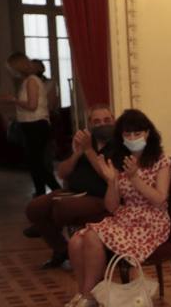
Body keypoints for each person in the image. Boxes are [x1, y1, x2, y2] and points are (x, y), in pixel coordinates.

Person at [57, 109, 171, 307]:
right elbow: (111, 207)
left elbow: (159, 199)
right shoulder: (121, 160)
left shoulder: (161, 161)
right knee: (75, 241)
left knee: (92, 235)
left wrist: (135, 177)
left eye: (136, 133)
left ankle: (88, 298)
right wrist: (112, 182)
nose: (131, 138)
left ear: (147, 133)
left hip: (151, 220)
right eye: (127, 135)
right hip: (125, 217)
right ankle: (85, 294)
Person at [24, 103, 117, 269]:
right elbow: (62, 173)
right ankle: (62, 250)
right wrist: (77, 153)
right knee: (34, 207)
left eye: (106, 120)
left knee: (61, 207)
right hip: (73, 192)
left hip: (100, 196)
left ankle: (48, 226)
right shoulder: (86, 141)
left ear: (114, 121)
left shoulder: (120, 145)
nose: (102, 124)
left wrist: (89, 152)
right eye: (97, 121)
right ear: (90, 124)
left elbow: (108, 177)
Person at [4, 52, 58, 196]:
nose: (10, 71)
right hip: (31, 125)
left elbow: (32, 105)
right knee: (34, 162)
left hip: (36, 125)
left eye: (11, 68)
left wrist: (13, 100)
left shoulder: (32, 81)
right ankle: (41, 192)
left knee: (37, 163)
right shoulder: (29, 80)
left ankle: (57, 190)